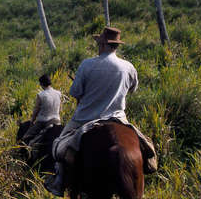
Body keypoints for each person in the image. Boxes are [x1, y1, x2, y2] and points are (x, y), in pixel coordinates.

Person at [45, 27, 155, 196]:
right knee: (147, 146)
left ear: (103, 44)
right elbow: (133, 89)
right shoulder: (128, 67)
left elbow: (75, 92)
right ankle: (149, 166)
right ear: (116, 45)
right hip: (118, 118)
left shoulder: (87, 64)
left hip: (84, 119)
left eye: (99, 43)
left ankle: (58, 182)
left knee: (58, 146)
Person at [21, 74, 62, 146]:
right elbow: (60, 109)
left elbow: (36, 110)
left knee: (25, 138)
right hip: (57, 121)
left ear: (42, 84)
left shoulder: (41, 95)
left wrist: (32, 122)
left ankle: (28, 151)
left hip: (43, 122)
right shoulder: (58, 93)